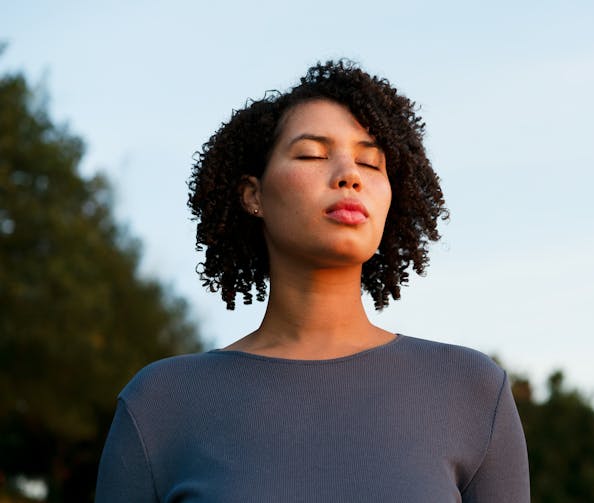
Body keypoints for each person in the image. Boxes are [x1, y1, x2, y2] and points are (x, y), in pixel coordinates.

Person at [95, 60, 530, 502]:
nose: (349, 175)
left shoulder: (471, 390)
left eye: (370, 162)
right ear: (254, 195)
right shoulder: (160, 404)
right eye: (312, 154)